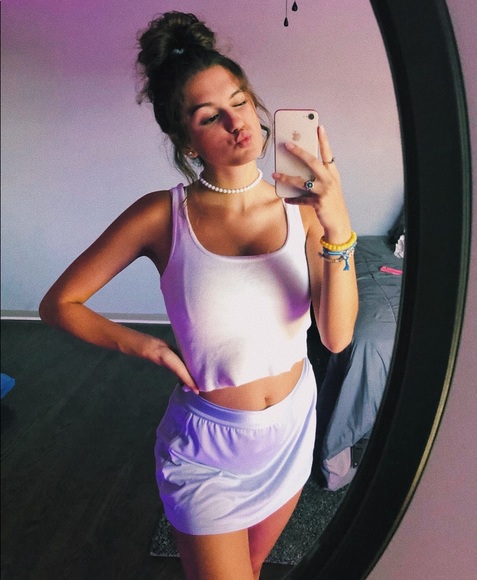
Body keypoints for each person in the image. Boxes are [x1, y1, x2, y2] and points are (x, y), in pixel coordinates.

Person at [39, 11, 358, 580]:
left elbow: (335, 337)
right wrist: (147, 347)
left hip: (291, 427)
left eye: (240, 102)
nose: (236, 122)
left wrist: (337, 224)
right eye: (210, 116)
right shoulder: (161, 215)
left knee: (253, 568)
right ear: (186, 140)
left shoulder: (304, 208)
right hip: (208, 452)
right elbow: (59, 303)